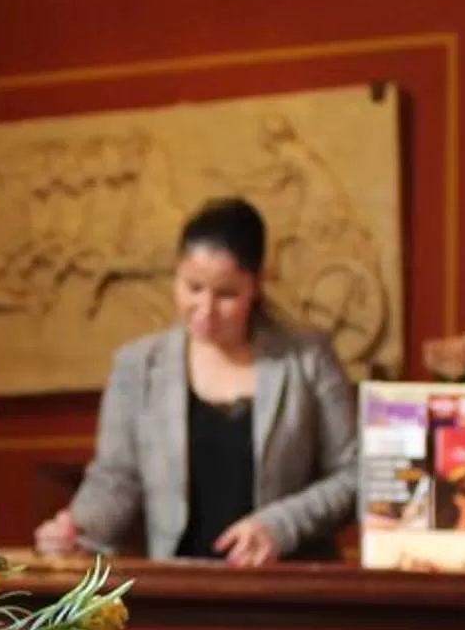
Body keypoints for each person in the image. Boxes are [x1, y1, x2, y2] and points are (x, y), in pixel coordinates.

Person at [33, 198, 359, 566]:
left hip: (287, 590)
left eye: (226, 294)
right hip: (182, 588)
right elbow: (115, 481)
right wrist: (77, 530)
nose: (205, 310)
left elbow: (354, 474)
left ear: (257, 284)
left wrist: (281, 526)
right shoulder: (138, 366)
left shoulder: (307, 358)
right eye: (193, 287)